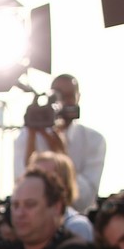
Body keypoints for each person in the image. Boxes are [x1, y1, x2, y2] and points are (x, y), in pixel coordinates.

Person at [14, 74, 106, 210]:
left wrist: (62, 157)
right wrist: (31, 136)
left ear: (78, 97)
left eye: (69, 96)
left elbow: (84, 201)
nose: (62, 101)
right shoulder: (27, 137)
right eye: (57, 95)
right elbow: (21, 189)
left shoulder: (94, 140)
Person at [27, 150, 95, 241]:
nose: (35, 183)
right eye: (32, 176)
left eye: (45, 178)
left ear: (64, 184)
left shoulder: (76, 226)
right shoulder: (24, 223)